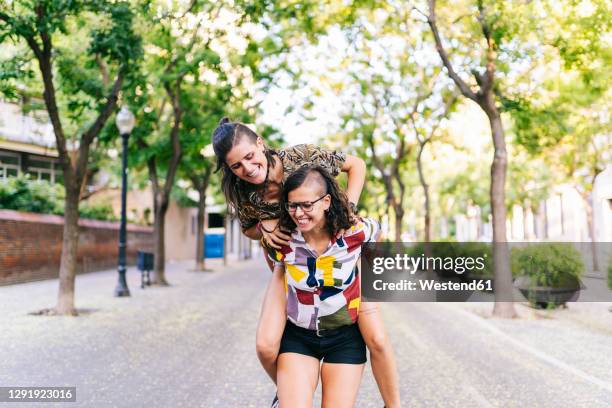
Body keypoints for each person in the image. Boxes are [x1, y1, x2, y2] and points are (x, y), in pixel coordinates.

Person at [212, 118, 400, 407]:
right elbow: (247, 227)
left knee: (375, 338)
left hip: (339, 247)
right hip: (288, 258)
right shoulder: (240, 188)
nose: (247, 169)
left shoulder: (301, 157)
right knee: (266, 344)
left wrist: (346, 211)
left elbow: (357, 166)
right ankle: (289, 388)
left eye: (249, 157)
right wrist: (266, 225)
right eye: (236, 166)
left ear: (260, 144)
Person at [267, 165, 382, 407]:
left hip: (344, 338)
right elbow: (272, 257)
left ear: (327, 201)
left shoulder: (354, 231)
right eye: (292, 205)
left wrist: (363, 263)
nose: (299, 213)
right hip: (299, 336)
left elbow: (377, 231)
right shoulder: (284, 239)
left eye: (307, 205)